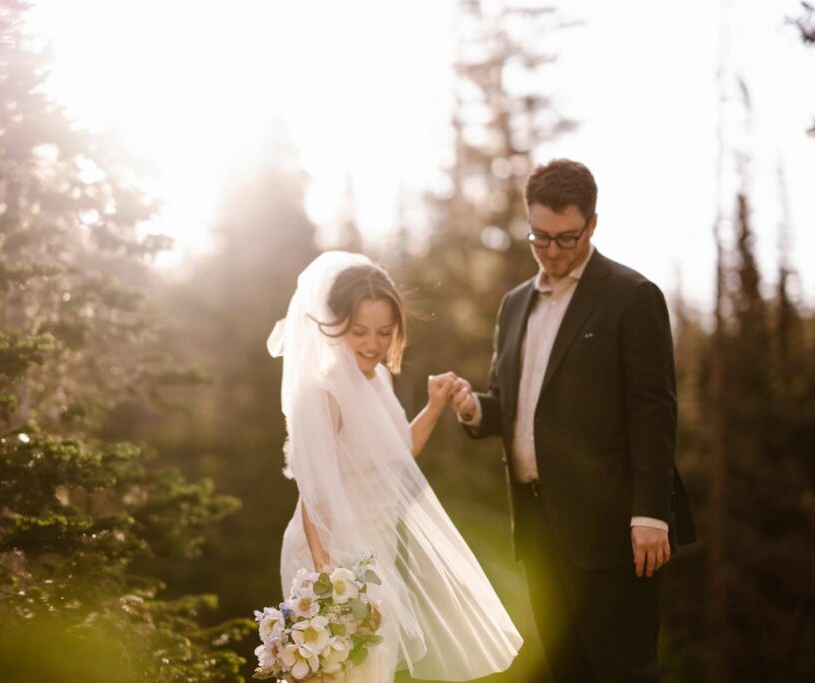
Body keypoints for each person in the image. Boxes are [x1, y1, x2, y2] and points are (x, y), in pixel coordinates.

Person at [449, 159, 696, 682]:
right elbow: (514, 405)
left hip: (614, 527)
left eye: (567, 237)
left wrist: (651, 514)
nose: (554, 251)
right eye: (541, 238)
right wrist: (476, 408)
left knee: (624, 670)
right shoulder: (514, 305)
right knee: (566, 672)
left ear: (593, 223)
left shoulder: (632, 296)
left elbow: (654, 409)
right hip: (538, 526)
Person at [268, 251, 522, 682]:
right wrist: (326, 578)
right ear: (335, 325)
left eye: (384, 332)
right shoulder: (321, 393)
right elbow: (314, 492)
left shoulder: (377, 379)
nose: (372, 344)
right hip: (331, 558)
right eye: (359, 331)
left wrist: (436, 404)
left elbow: (398, 454)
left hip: (375, 550)